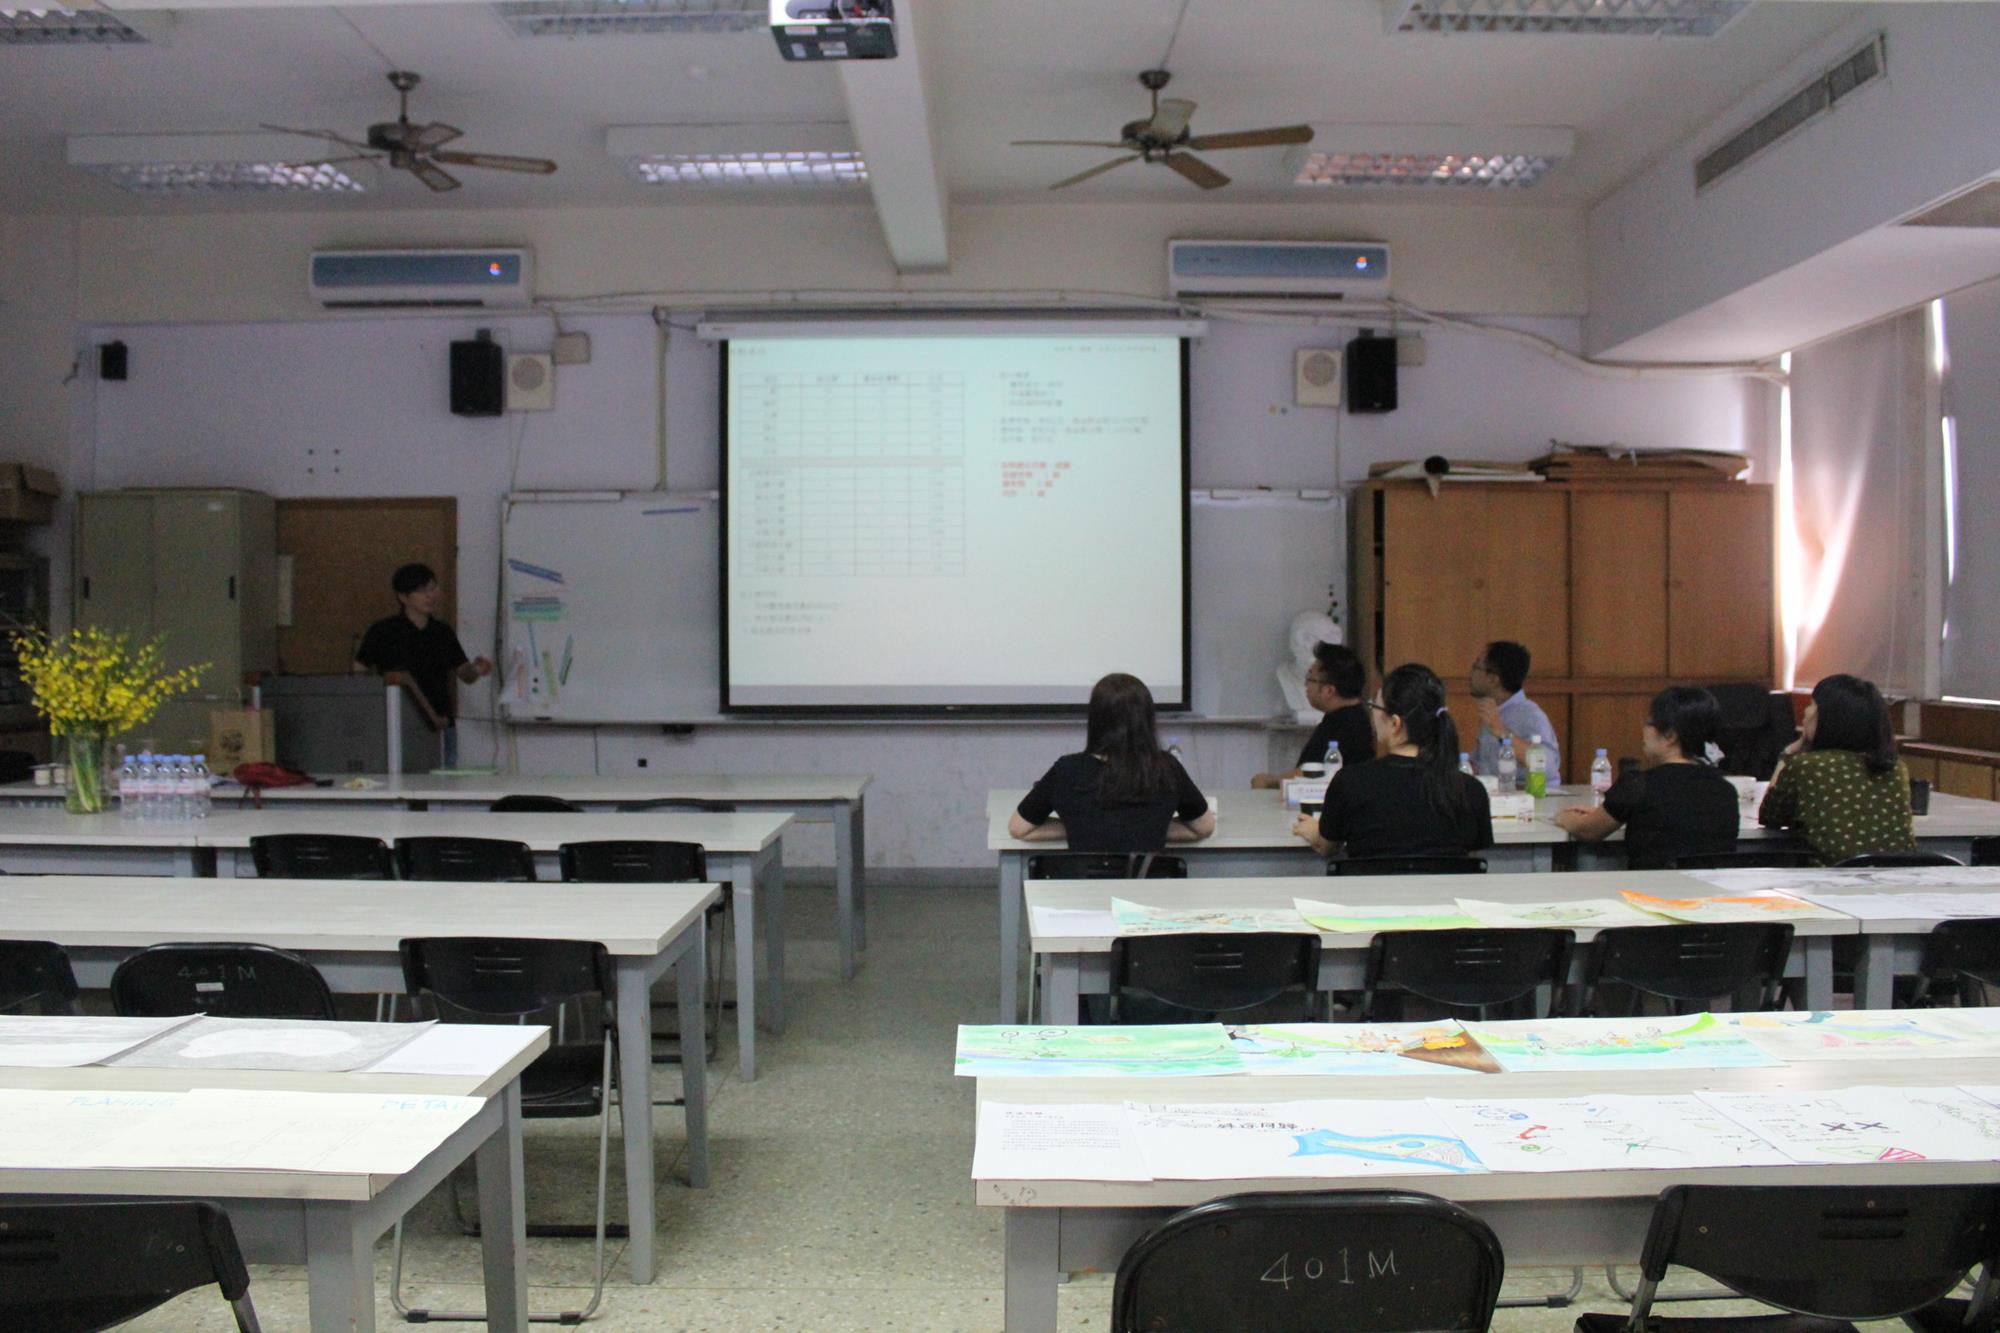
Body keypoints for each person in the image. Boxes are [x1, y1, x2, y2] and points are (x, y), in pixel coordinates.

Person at [1293, 662, 1493, 861]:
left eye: (1375, 706)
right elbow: (1469, 860)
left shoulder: (1350, 782)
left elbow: (1328, 847)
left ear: (1395, 723)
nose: (1371, 712)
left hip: (1369, 883)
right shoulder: (1470, 790)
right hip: (1444, 884)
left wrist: (1314, 832)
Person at [1009, 672, 1216, 852]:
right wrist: (1150, 827)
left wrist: (1080, 826)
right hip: (1146, 886)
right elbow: (1204, 828)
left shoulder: (1067, 769)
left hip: (1084, 886)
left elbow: (1019, 828)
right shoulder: (1167, 768)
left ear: (1095, 719)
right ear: (1146, 718)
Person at [1553, 686, 1740, 869]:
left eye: (1649, 722)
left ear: (1670, 735)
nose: (1643, 729)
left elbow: (1588, 831)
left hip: (1650, 888)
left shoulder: (1638, 785)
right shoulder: (1726, 790)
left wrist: (1565, 818)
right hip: (1709, 889)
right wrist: (1602, 812)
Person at [1758, 673, 1915, 865]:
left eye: (1812, 705)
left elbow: (1770, 816)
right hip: (1899, 874)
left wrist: (1788, 754)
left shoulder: (1807, 766)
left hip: (1832, 875)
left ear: (1829, 717)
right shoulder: (1895, 767)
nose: (1806, 713)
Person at [353, 562, 492, 768]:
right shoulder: (383, 631)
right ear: (403, 597)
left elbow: (465, 674)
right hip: (395, 725)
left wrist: (476, 669)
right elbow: (358, 673)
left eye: (433, 588)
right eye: (421, 590)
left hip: (440, 726)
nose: (431, 595)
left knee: (443, 781)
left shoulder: (442, 632)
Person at [1252, 642, 1374, 789]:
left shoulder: (1349, 724)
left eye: (1310, 678)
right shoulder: (1340, 716)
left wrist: (1272, 781)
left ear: (1329, 691)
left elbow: (1312, 774)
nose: (1306, 685)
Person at [1469, 640, 1560, 787]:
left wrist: (1502, 732)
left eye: (1476, 667)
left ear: (1493, 679)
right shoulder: (1492, 712)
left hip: (1532, 797)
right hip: (1498, 794)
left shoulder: (1530, 715)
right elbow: (1480, 764)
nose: (1470, 673)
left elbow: (1548, 767)